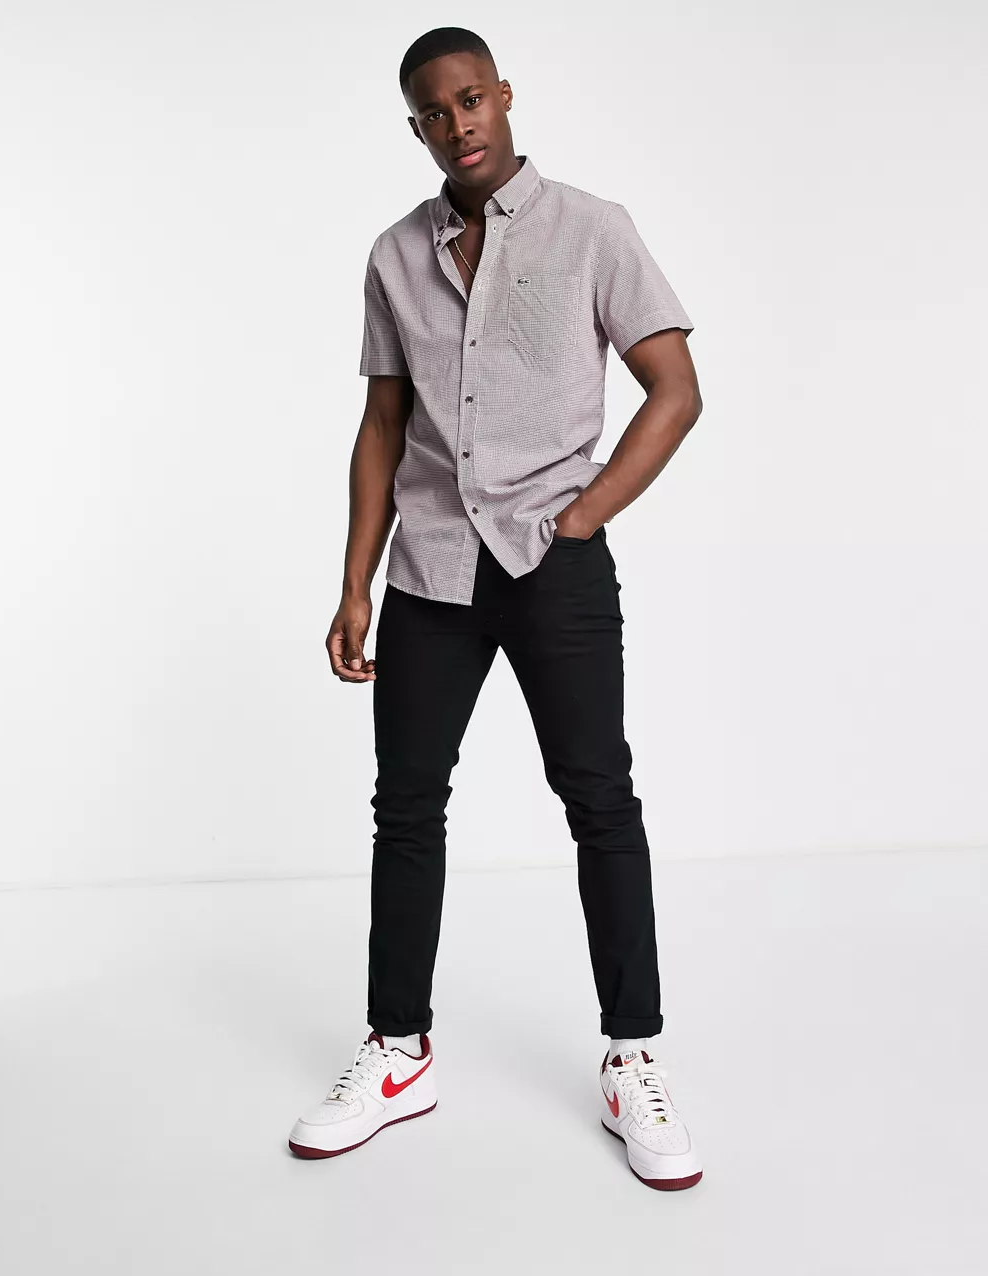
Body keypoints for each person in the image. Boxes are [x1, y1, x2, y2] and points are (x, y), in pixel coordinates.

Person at [288, 26, 704, 1190]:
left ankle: (632, 1055)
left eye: (471, 98)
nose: (458, 123)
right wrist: (355, 580)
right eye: (434, 111)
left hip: (551, 563)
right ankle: (397, 1049)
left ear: (503, 96)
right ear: (415, 128)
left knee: (598, 797)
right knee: (406, 806)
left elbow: (674, 390)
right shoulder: (393, 255)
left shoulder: (593, 229)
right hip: (429, 567)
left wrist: (581, 516)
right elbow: (382, 423)